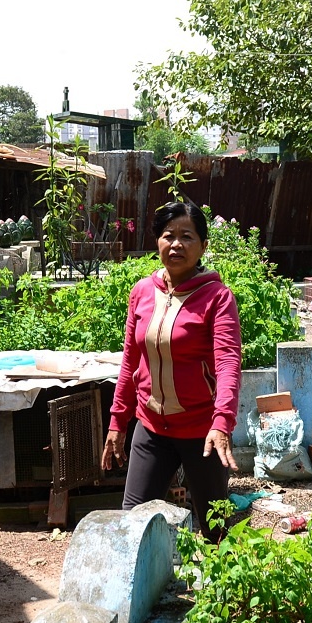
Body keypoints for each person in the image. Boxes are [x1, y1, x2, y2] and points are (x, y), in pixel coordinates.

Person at [103, 202, 242, 538]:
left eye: (187, 236)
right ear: (157, 242)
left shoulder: (217, 297)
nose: (176, 244)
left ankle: (218, 591)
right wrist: (118, 422)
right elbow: (130, 362)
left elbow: (227, 363)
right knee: (133, 525)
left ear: (204, 246)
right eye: (169, 235)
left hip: (202, 433)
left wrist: (222, 422)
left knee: (214, 530)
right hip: (152, 429)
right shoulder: (142, 292)